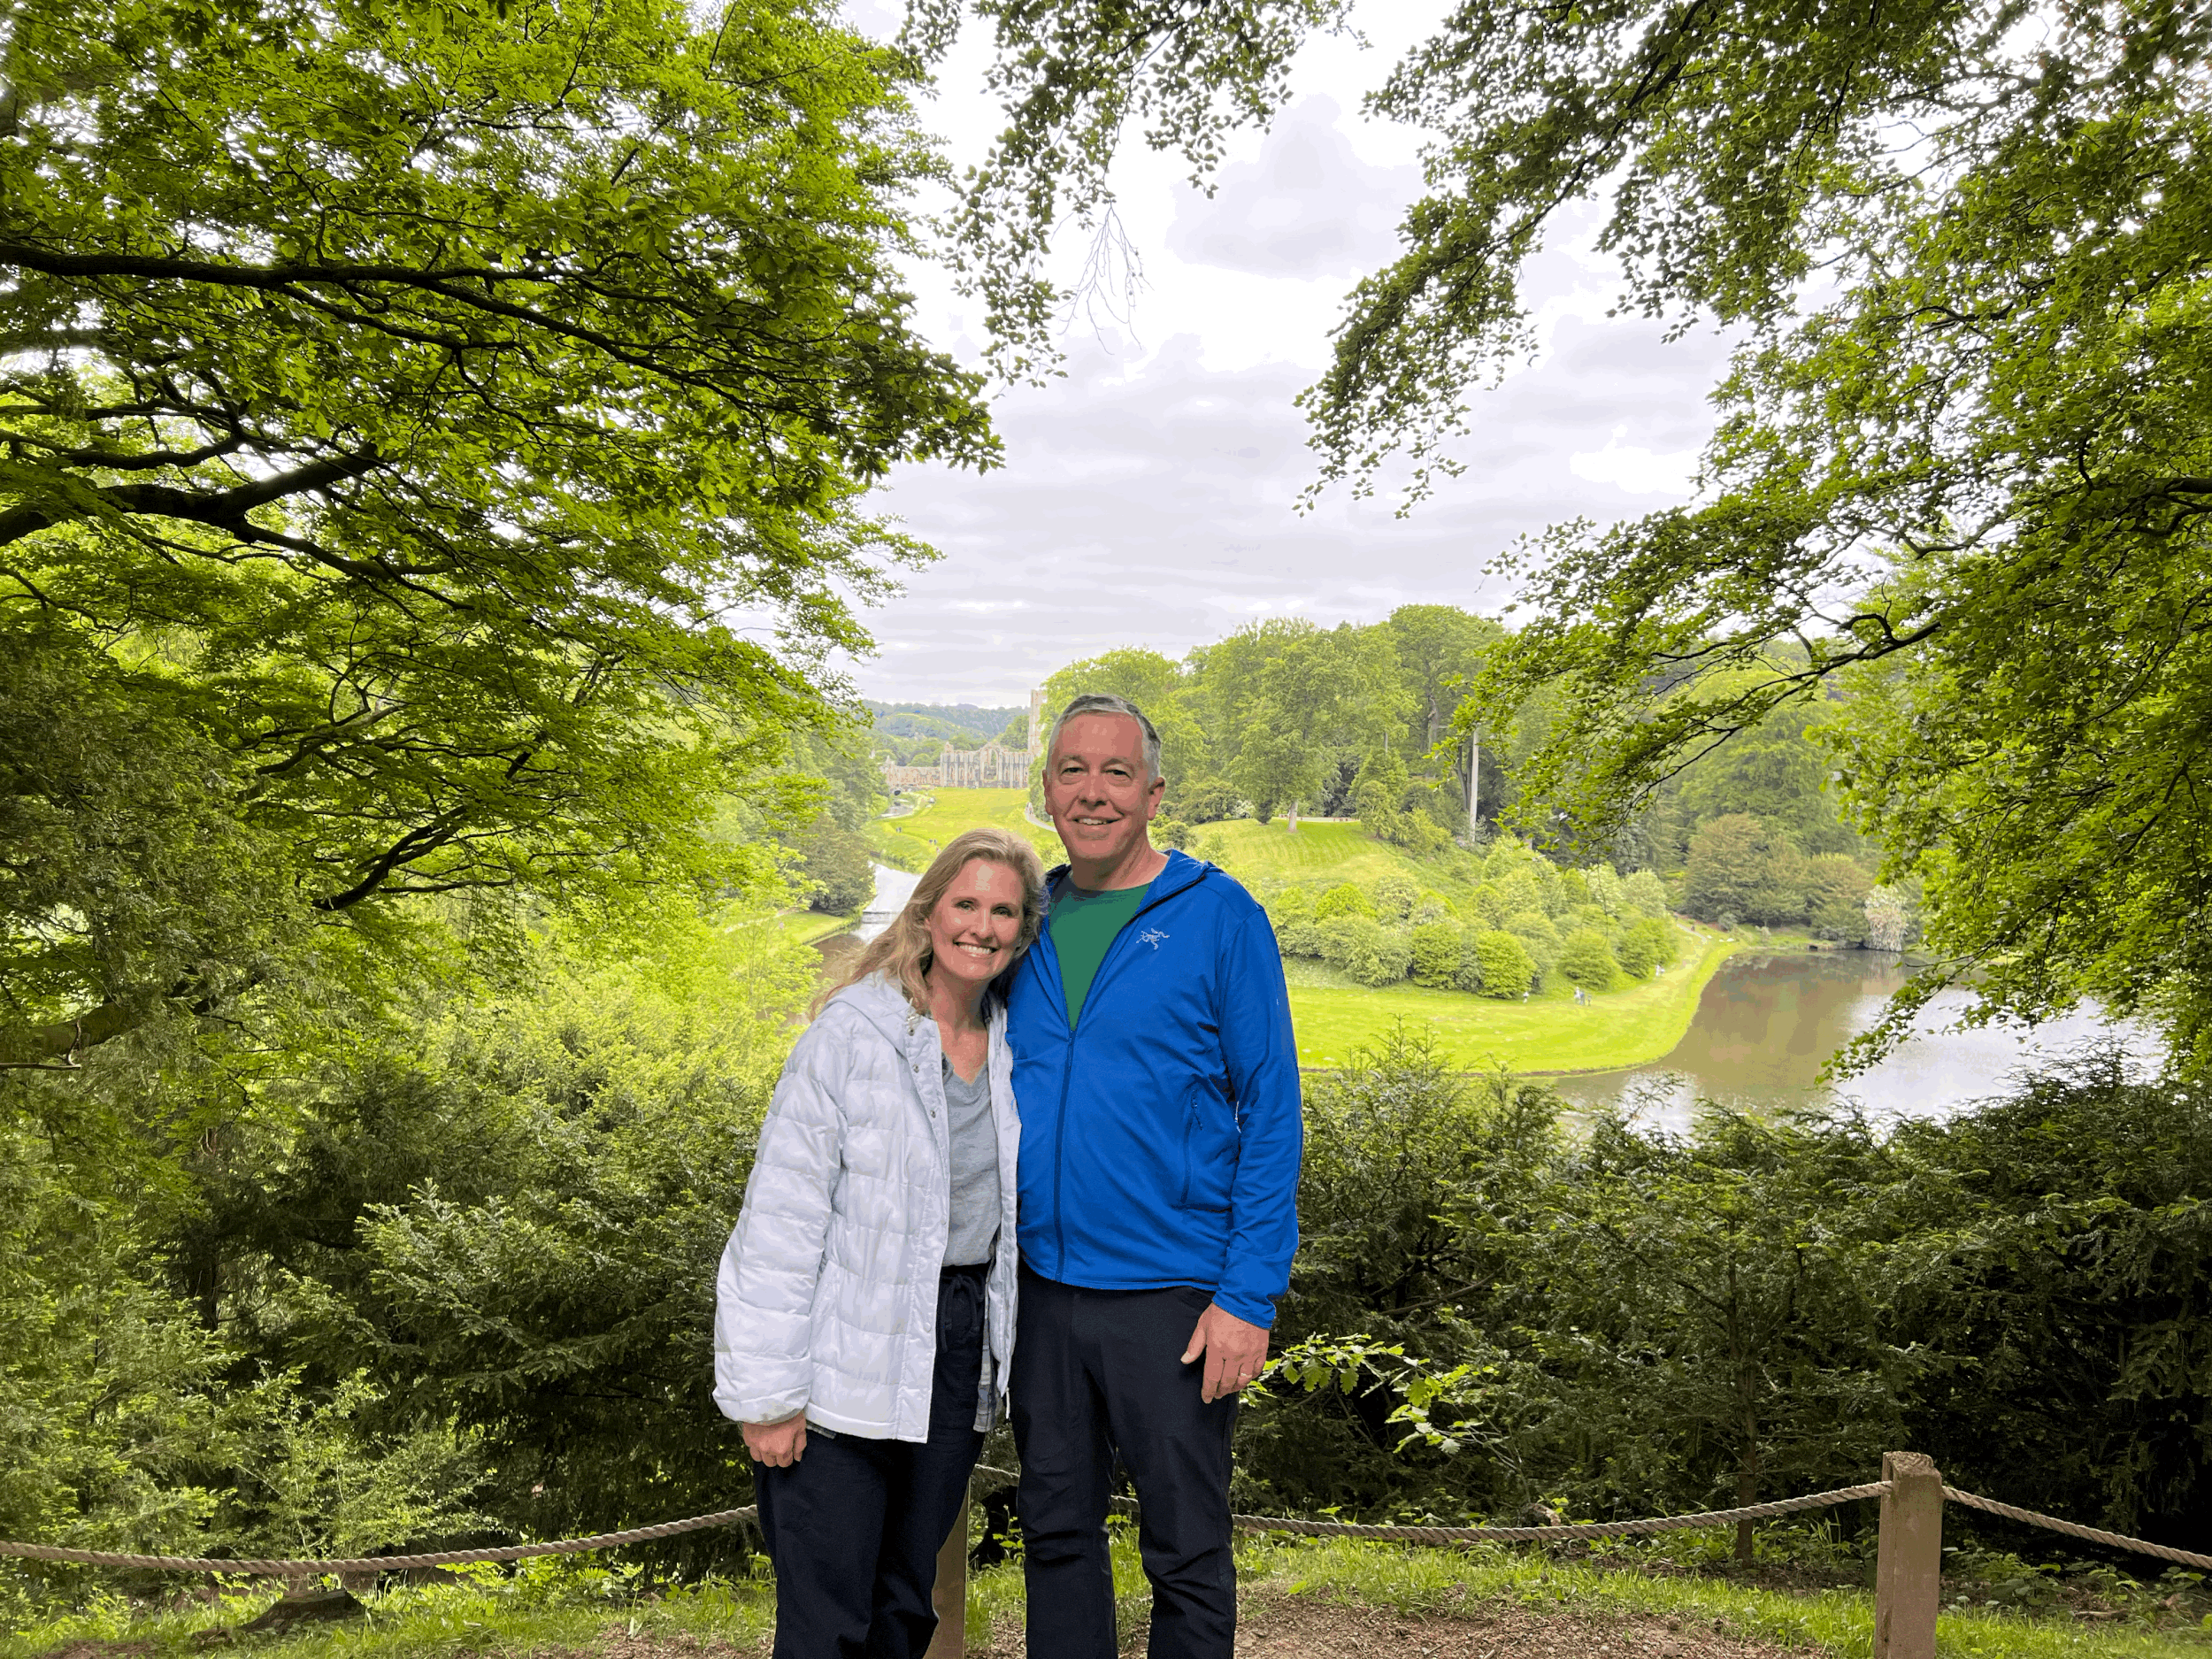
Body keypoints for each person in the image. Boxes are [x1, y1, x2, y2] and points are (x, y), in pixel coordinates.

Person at [1004, 693, 1302, 1659]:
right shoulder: (1027, 920)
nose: (1091, 792)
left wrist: (1247, 1297)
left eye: (1115, 773)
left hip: (1173, 1296)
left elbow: (1272, 1112)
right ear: (1046, 786)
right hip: (1040, 1289)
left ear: (1153, 792)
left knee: (1184, 1548)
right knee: (1053, 1535)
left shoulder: (1220, 916)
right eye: (1072, 770)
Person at [714, 827, 1046, 1659]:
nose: (983, 925)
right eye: (966, 903)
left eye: (1003, 910)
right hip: (842, 1353)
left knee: (907, 1604)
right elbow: (781, 1222)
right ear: (929, 912)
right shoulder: (852, 1036)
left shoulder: (1016, 1046)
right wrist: (767, 1394)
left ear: (1023, 929)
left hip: (957, 1345)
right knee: (830, 1618)